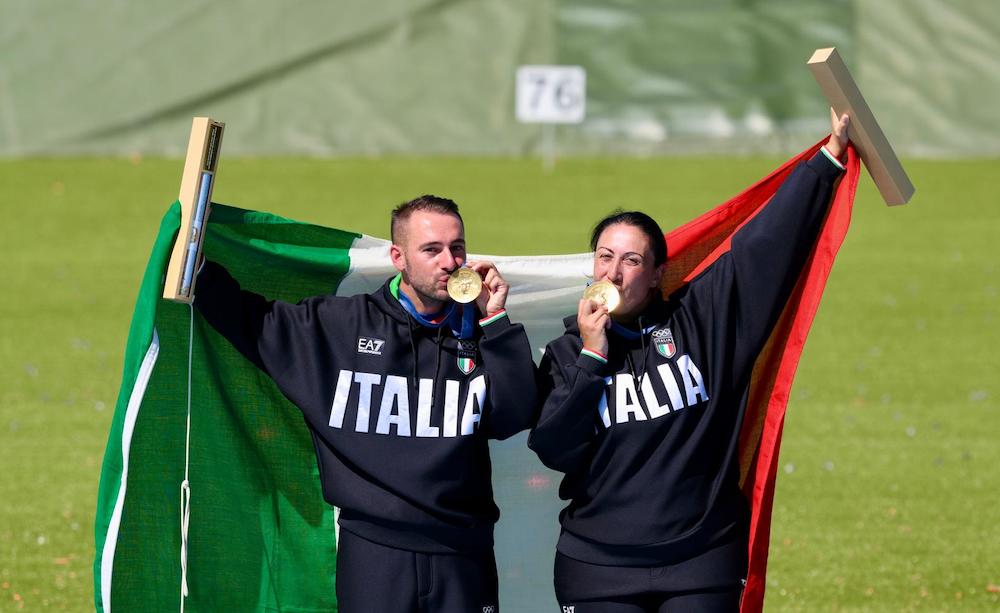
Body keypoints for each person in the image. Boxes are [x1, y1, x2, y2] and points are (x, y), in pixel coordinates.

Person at [529, 113, 851, 612]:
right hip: (598, 568)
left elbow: (764, 247)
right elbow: (554, 448)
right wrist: (593, 356)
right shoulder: (567, 353)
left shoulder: (702, 321)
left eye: (631, 261)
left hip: (701, 563)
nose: (613, 273)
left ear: (658, 272)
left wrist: (825, 161)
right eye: (604, 257)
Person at [194, 195, 536, 612]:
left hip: (463, 554)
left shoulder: (481, 331)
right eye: (431, 249)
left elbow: (517, 414)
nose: (449, 261)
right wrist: (193, 257)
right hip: (374, 554)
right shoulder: (340, 326)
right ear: (398, 256)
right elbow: (251, 321)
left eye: (457, 247)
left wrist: (496, 320)